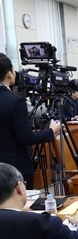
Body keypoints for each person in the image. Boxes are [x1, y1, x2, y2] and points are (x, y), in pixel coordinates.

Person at [0, 53, 60, 189]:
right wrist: (51, 131)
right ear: (9, 74)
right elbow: (25, 137)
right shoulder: (15, 101)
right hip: (14, 169)